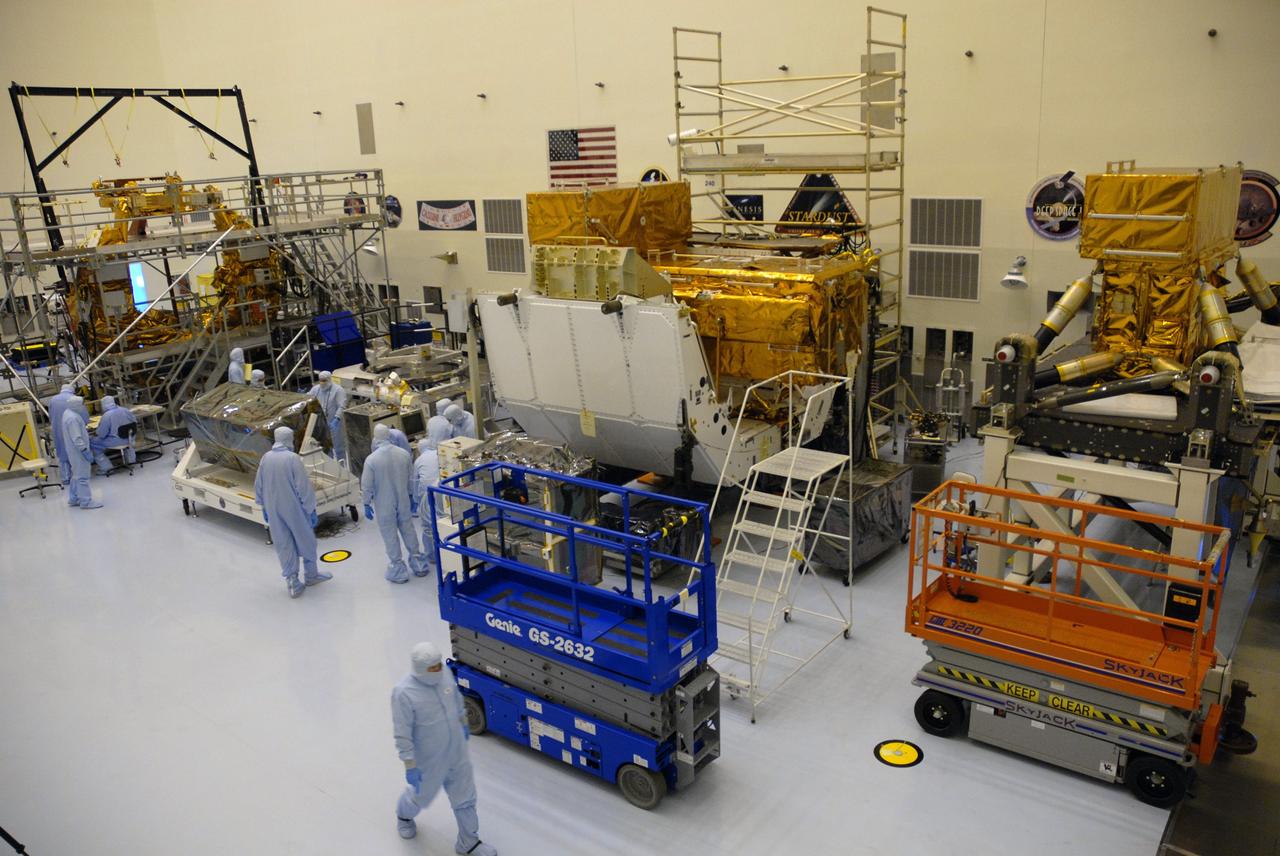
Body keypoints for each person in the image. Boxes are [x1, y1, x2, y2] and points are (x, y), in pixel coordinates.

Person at [392, 642, 497, 855]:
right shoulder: (403, 693)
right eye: (432, 668)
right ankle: (403, 815)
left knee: (465, 799)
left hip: (456, 752)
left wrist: (464, 724)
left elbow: (457, 700)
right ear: (419, 668)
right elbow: (402, 733)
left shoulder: (445, 675)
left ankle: (468, 843)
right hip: (429, 759)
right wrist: (410, 764)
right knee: (420, 797)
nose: (438, 670)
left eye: (438, 665)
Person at [254, 426, 330, 598]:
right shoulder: (292, 459)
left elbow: (259, 484)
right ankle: (311, 575)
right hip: (294, 508)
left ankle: (292, 581)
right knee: (306, 539)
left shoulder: (266, 458)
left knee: (283, 542)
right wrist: (310, 509)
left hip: (273, 508)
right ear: (290, 439)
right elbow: (303, 487)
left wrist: (263, 505)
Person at [362, 423, 426, 583]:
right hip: (403, 499)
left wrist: (366, 503)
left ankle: (398, 570)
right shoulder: (403, 454)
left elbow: (367, 485)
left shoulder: (371, 460)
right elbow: (411, 478)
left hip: (384, 504)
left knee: (390, 536)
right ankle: (418, 563)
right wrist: (412, 497)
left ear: (375, 438)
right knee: (408, 530)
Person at [412, 416, 452, 559]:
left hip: (427, 499)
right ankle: (449, 555)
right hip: (447, 499)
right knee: (447, 525)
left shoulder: (422, 459)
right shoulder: (449, 454)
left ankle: (433, 556)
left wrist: (415, 501)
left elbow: (416, 483)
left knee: (429, 529)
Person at [60, 396, 102, 509]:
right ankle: (86, 501)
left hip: (73, 451)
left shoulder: (67, 412)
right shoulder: (73, 418)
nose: (83, 406)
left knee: (76, 475)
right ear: (76, 405)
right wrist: (85, 450)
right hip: (78, 452)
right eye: (82, 404)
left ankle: (74, 498)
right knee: (82, 477)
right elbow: (77, 438)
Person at [47, 383, 88, 482]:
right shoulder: (75, 399)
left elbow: (51, 415)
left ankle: (65, 477)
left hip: (58, 428)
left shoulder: (53, 400)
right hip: (74, 428)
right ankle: (80, 475)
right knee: (76, 451)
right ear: (72, 390)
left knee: (62, 452)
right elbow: (85, 416)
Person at [308, 371, 348, 462]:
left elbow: (342, 406)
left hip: (334, 423)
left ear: (329, 379)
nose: (322, 383)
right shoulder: (316, 389)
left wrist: (336, 419)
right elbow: (308, 399)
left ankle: (342, 467)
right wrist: (301, 396)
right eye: (320, 380)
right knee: (325, 447)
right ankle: (329, 467)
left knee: (338, 447)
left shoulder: (338, 390)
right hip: (321, 424)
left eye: (324, 380)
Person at [90, 396, 138, 472]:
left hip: (117, 442)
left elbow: (101, 434)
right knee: (125, 440)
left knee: (93, 442)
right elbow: (135, 423)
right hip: (130, 438)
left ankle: (107, 468)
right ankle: (131, 461)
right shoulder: (125, 410)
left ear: (103, 405)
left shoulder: (107, 416)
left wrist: (96, 430)